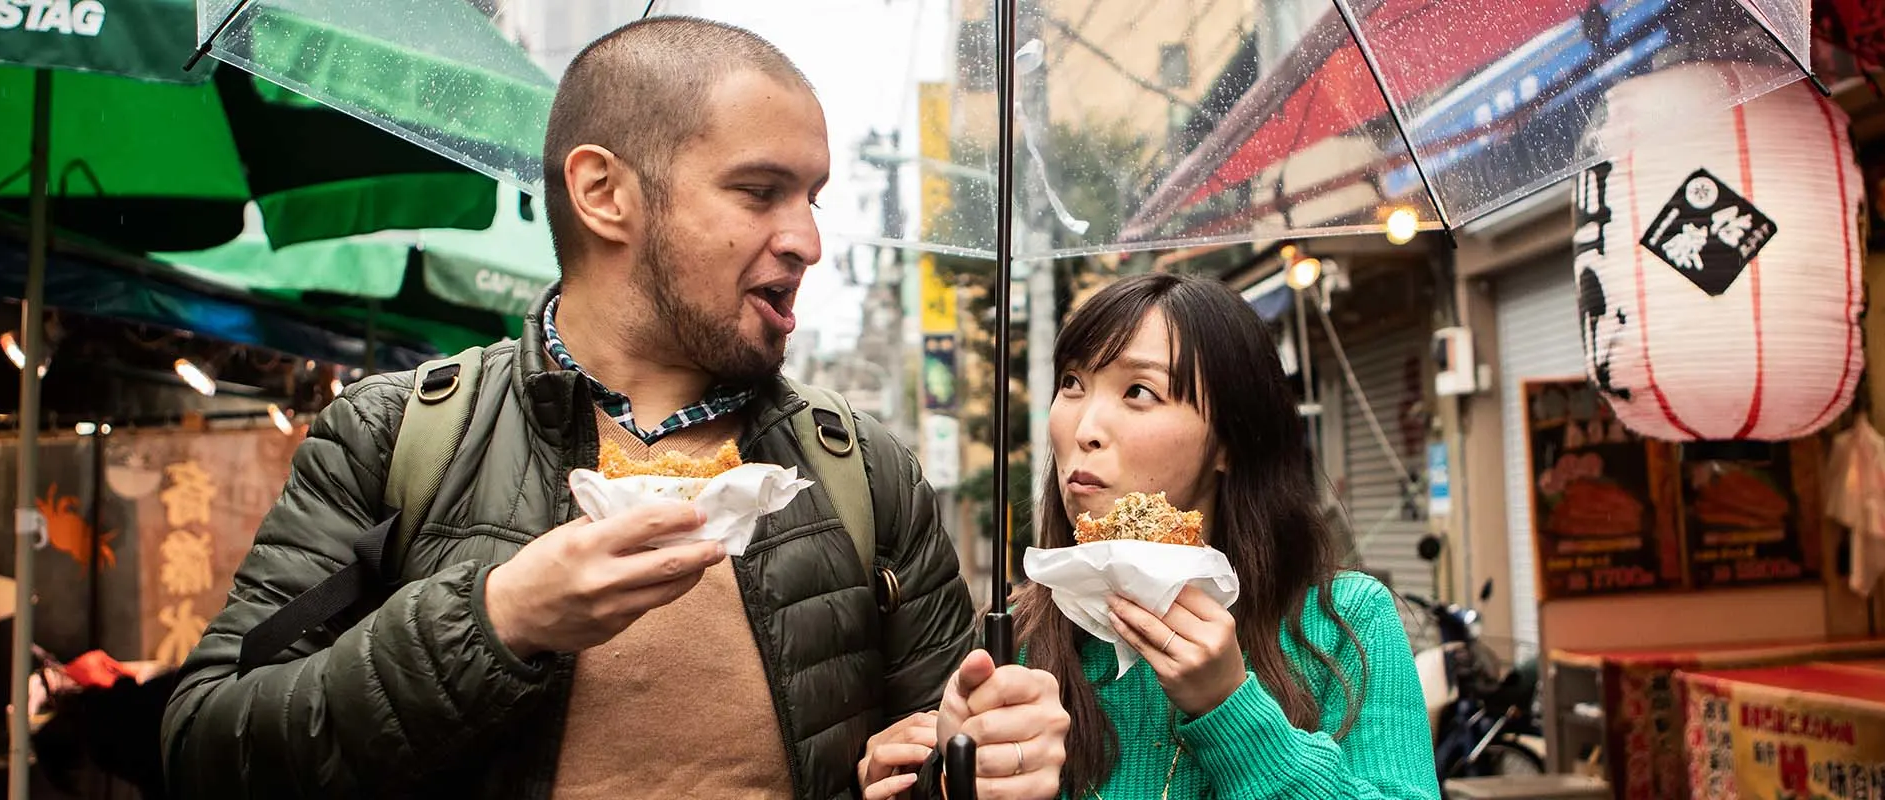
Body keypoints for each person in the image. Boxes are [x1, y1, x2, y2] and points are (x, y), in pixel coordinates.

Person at [160, 16, 1068, 800]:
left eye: (814, 200)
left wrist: (978, 756)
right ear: (603, 193)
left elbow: (937, 745)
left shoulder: (862, 469)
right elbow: (207, 746)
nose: (808, 242)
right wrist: (495, 622)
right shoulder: (395, 433)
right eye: (760, 192)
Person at [863, 274, 1441, 799]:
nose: (1085, 429)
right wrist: (944, 781)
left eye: (1140, 392)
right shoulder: (1018, 637)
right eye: (1072, 383)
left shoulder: (1344, 621)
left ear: (1228, 442)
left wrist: (1231, 711)